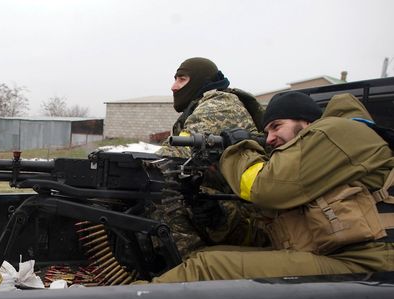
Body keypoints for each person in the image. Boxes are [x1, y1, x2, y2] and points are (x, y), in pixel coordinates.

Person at [153, 91, 394, 283]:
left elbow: (263, 188)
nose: (269, 139)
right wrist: (218, 220)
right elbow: (269, 236)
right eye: (266, 131)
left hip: (367, 262)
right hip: (336, 256)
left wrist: (239, 148)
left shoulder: (338, 131)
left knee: (205, 269)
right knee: (201, 256)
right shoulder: (314, 170)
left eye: (276, 126)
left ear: (306, 122)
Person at [149, 57, 268, 260]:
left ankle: (187, 270)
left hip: (250, 215)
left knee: (165, 197)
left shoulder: (220, 105)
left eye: (181, 79)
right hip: (228, 204)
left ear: (200, 82)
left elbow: (173, 155)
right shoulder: (201, 105)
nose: (173, 87)